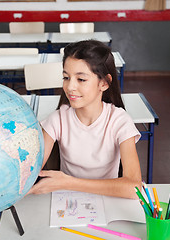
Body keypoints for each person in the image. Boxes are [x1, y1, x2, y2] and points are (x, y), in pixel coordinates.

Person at [28, 40, 142, 199]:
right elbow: (29, 172)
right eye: (66, 77)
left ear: (104, 83)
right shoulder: (58, 119)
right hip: (66, 202)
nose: (70, 87)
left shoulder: (119, 121)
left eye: (81, 79)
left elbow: (134, 188)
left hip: (108, 201)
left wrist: (68, 182)